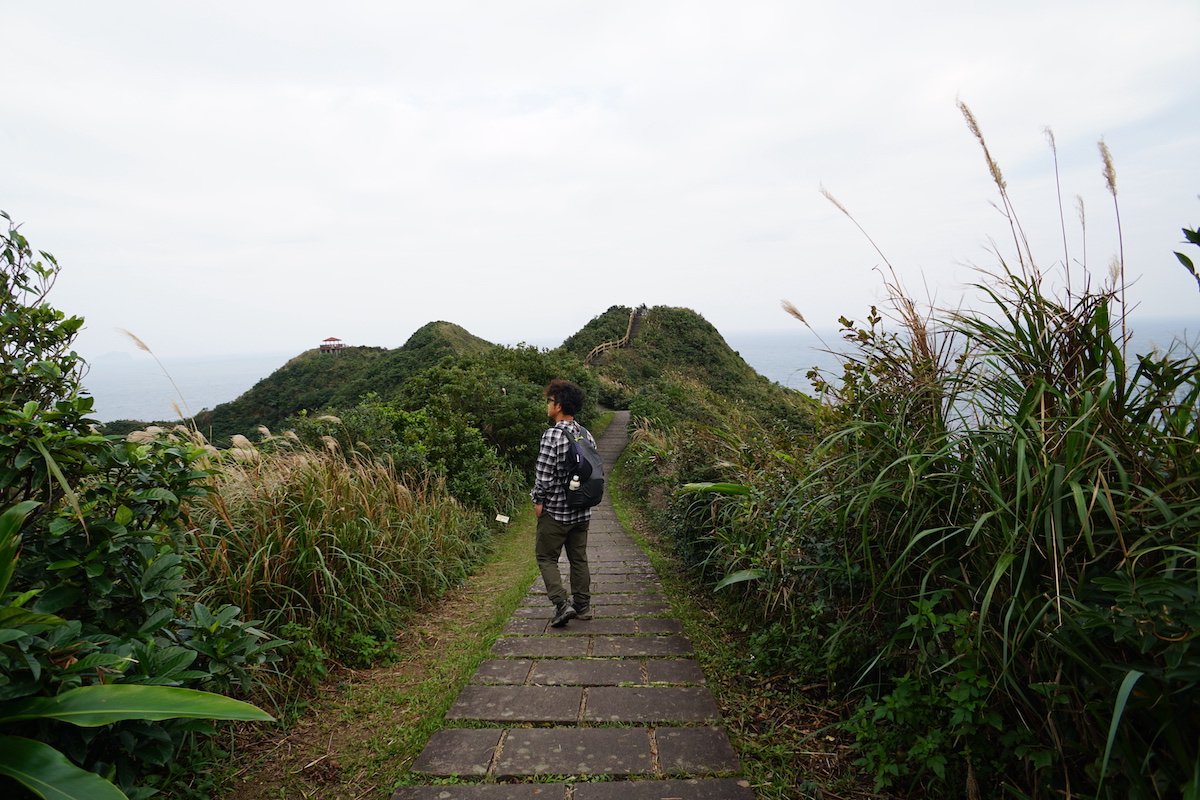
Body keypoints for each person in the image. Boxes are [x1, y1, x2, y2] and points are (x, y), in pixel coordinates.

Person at [531, 379, 596, 627]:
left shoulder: (552, 435)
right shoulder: (585, 433)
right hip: (581, 510)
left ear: (558, 406)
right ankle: (583, 606)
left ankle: (561, 604)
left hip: (556, 511)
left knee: (546, 557)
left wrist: (538, 500)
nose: (547, 405)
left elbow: (544, 475)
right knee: (578, 558)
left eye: (549, 401)